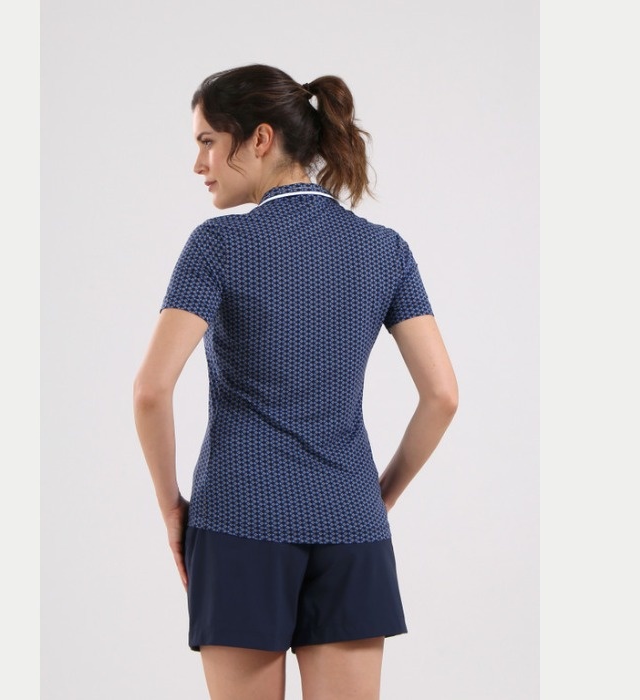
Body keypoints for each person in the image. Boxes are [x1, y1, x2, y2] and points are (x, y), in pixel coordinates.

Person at [133, 64, 458, 700]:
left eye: (207, 141)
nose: (198, 164)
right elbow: (443, 396)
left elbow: (150, 389)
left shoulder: (219, 244)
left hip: (238, 521)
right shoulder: (385, 249)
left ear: (259, 138)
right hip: (352, 523)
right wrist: (378, 496)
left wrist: (172, 506)